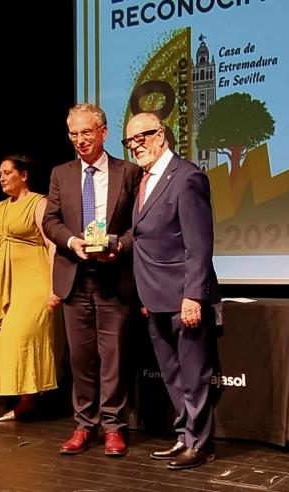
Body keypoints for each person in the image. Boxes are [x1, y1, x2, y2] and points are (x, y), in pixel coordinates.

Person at [43, 103, 141, 457]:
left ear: (103, 132)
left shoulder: (128, 172)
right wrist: (72, 241)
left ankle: (114, 427)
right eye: (73, 134)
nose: (80, 140)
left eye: (86, 132)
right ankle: (85, 424)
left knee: (113, 358)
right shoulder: (61, 173)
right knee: (81, 358)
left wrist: (119, 246)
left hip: (114, 277)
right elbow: (51, 221)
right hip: (75, 276)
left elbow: (139, 226)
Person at [124, 112, 221, 471]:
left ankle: (200, 443)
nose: (135, 146)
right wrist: (145, 295)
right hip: (154, 298)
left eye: (142, 137)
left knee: (194, 374)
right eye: (129, 141)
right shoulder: (143, 180)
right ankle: (184, 436)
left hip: (184, 297)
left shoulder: (187, 177)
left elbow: (199, 244)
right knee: (172, 374)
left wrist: (194, 295)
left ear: (161, 135)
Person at [0, 155, 61, 422]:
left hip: (33, 281)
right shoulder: (0, 207)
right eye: (0, 174)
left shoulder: (38, 203)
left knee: (23, 335)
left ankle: (34, 396)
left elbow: (51, 244)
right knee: (5, 338)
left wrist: (54, 286)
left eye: (8, 172)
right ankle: (25, 400)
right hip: (5, 283)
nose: (2, 178)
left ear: (24, 175)